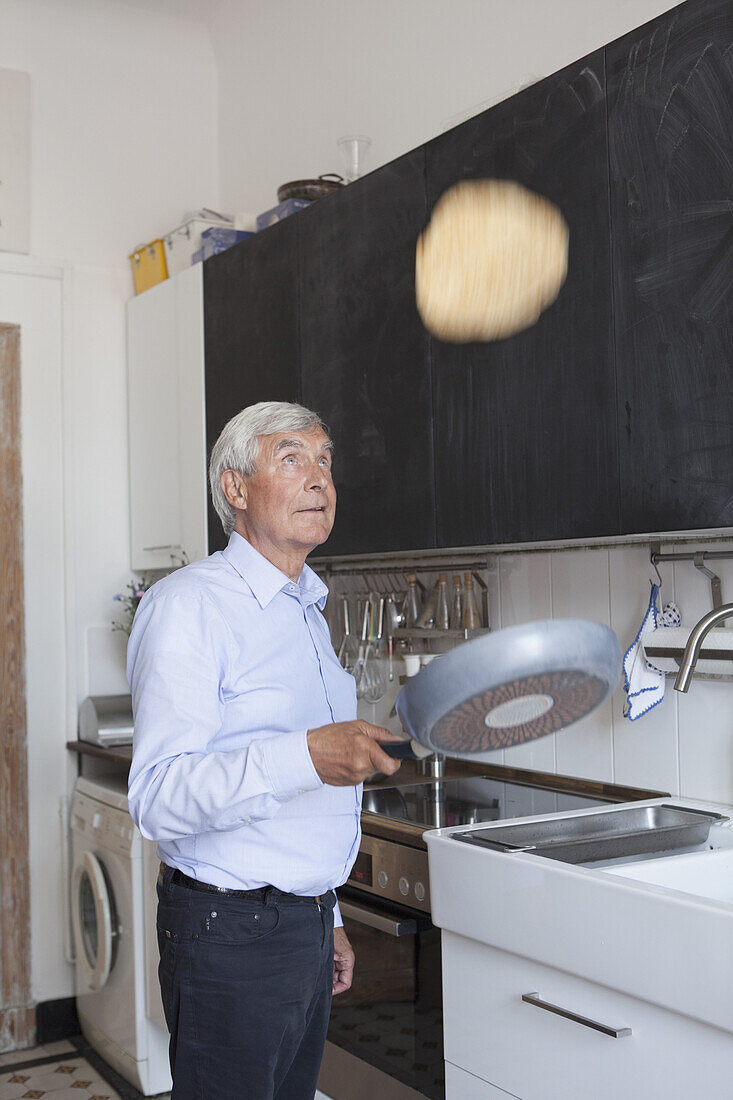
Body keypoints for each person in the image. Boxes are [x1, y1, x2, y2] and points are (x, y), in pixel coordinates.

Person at [127, 401, 402, 1100]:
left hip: (298, 925)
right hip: (229, 934)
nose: (319, 480)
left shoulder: (304, 608)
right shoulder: (188, 606)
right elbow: (159, 798)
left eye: (325, 461)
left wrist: (327, 914)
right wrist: (304, 757)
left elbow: (304, 813)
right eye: (291, 459)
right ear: (235, 488)